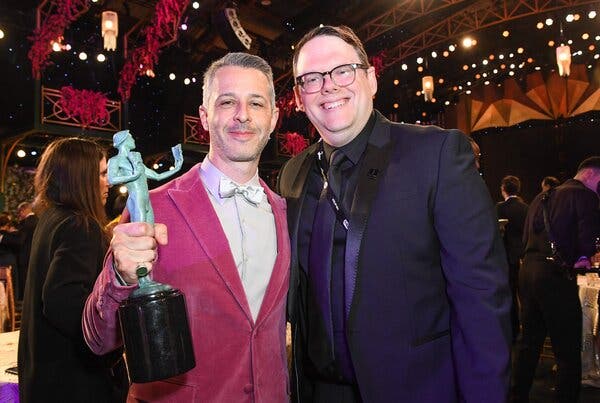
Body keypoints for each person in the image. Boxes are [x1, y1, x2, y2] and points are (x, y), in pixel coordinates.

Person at [277, 25, 512, 402]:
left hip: (413, 390)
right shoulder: (292, 173)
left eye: (342, 70)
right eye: (311, 78)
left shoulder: (436, 154)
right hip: (316, 391)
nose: (328, 86)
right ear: (299, 98)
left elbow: (481, 297)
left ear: (370, 79)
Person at [83, 52, 291, 402]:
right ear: (205, 117)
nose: (243, 114)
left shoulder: (285, 212)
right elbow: (98, 339)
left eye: (256, 103)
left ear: (273, 119)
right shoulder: (154, 206)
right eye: (228, 102)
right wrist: (120, 278)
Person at [18, 138, 127, 403]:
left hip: (46, 375)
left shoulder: (53, 218)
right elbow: (62, 302)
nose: (108, 182)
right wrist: (108, 351)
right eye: (102, 174)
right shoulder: (80, 226)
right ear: (82, 178)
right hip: (75, 382)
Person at [511, 156, 600, 403]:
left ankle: (517, 396)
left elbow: (527, 238)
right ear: (592, 175)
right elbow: (589, 242)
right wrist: (584, 254)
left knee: (528, 343)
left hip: (527, 273)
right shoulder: (586, 196)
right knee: (567, 352)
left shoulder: (541, 197)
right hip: (555, 278)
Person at [107, 130, 183, 223]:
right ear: (124, 140)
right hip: (136, 198)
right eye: (130, 137)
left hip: (146, 199)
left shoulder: (136, 160)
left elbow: (157, 176)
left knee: (150, 231)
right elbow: (111, 179)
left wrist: (177, 168)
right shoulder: (115, 160)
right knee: (140, 231)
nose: (133, 140)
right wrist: (134, 176)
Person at [496, 175, 528, 342]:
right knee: (526, 296)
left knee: (510, 295)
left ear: (503, 189)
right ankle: (529, 331)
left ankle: (513, 331)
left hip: (507, 257)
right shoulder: (526, 208)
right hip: (524, 256)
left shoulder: (499, 208)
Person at [0, 201, 38, 300]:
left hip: (24, 258)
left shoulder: (29, 222)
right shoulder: (34, 220)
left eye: (19, 212)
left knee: (23, 284)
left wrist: (2, 238)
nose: (18, 215)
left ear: (23, 210)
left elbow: (20, 241)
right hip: (29, 257)